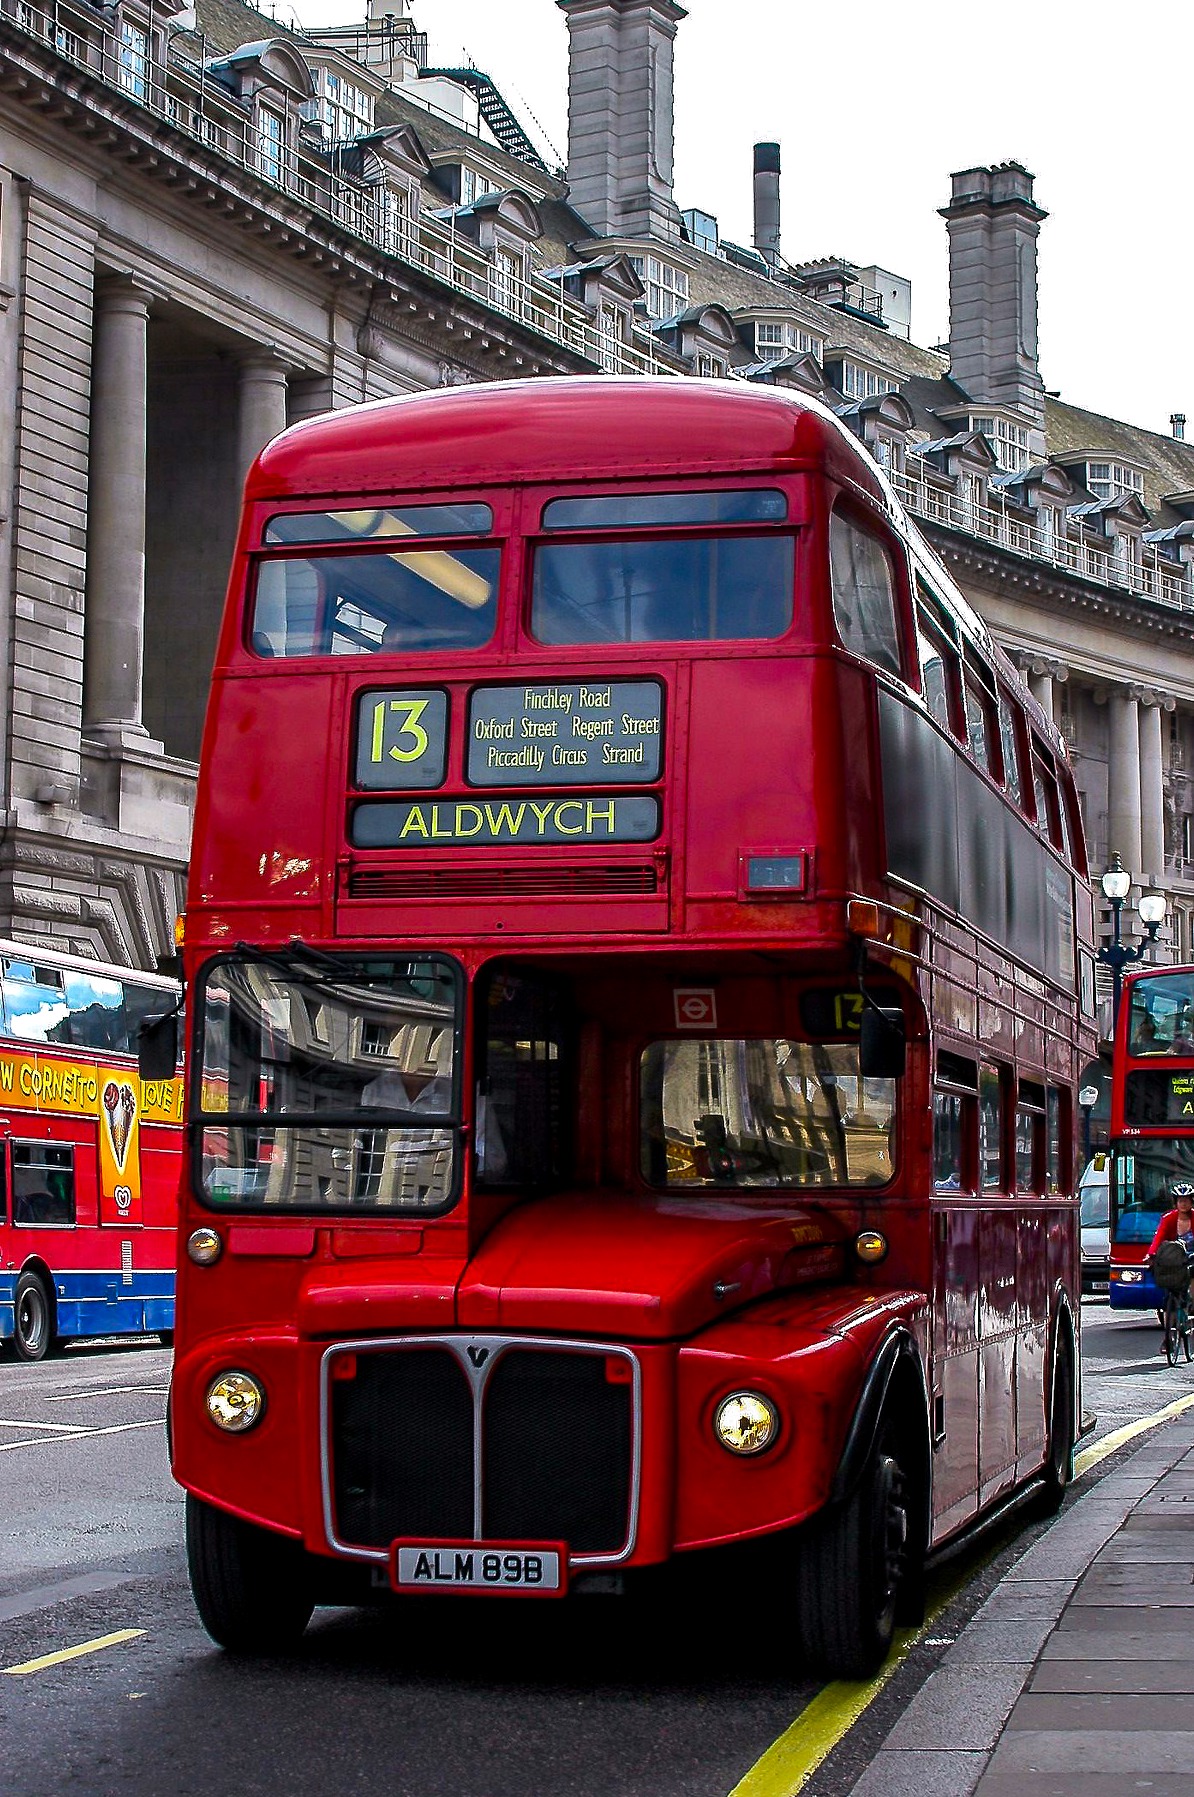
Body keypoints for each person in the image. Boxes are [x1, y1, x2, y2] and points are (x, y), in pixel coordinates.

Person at [1148, 1182, 1194, 1257]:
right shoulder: (1168, 1218)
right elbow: (1159, 1238)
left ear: (1191, 1202)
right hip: (1174, 1261)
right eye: (1180, 1201)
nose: (1183, 1204)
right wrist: (1151, 1254)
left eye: (1186, 1201)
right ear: (1176, 1203)